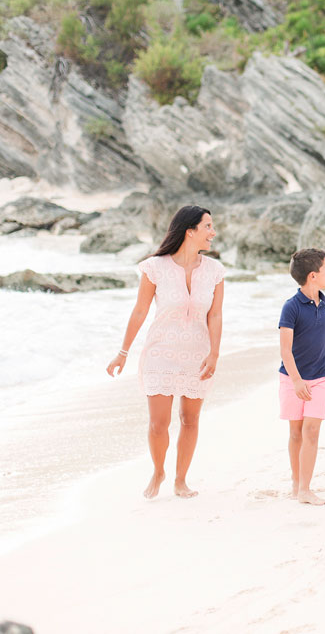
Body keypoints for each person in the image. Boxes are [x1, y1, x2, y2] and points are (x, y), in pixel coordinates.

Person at [106, 205, 225, 498]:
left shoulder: (215, 271)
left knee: (190, 419)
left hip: (197, 354)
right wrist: (123, 352)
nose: (213, 232)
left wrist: (214, 354)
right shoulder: (155, 267)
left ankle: (180, 480)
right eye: (207, 226)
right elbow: (140, 311)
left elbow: (215, 316)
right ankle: (159, 470)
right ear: (190, 231)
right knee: (159, 424)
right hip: (160, 352)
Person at [278, 248, 325, 506]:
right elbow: (285, 350)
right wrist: (297, 380)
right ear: (313, 276)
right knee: (296, 433)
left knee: (312, 431)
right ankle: (296, 480)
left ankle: (305, 488)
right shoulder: (290, 308)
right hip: (292, 379)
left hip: (322, 377)